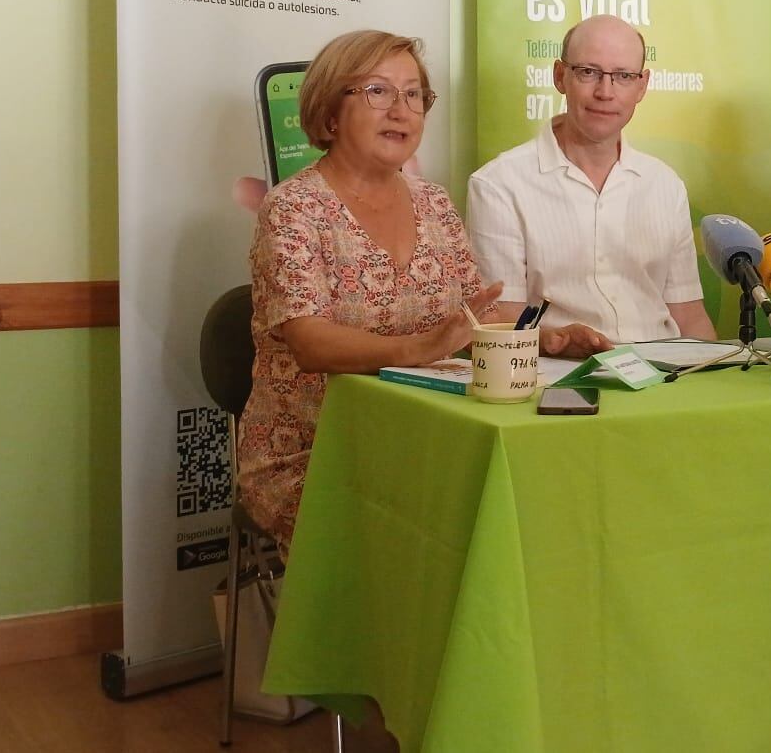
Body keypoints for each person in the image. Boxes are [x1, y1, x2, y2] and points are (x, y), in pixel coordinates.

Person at [237, 30, 589, 554]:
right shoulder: (294, 208)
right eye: (377, 91)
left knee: (535, 500)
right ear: (330, 112)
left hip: (430, 436)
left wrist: (547, 339)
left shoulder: (435, 204)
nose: (400, 110)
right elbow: (309, 342)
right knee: (447, 527)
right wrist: (419, 347)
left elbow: (471, 321)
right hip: (320, 449)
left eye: (413, 95)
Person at [467, 15, 716, 345]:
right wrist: (556, 343)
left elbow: (689, 316)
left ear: (642, 86)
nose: (605, 92)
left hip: (665, 377)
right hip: (556, 380)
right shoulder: (498, 185)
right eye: (588, 72)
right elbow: (500, 320)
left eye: (623, 76)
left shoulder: (665, 186)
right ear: (560, 76)